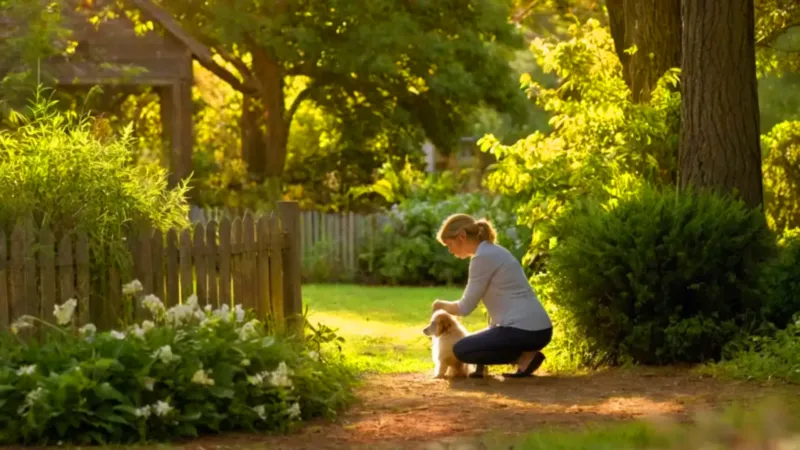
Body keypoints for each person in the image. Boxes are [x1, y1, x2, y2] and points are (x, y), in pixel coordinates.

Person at [431, 213, 553, 378]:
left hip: (525, 331)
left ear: (462, 236)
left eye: (449, 244)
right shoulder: (493, 251)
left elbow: (464, 308)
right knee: (472, 343)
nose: (450, 250)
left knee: (460, 349)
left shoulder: (482, 258)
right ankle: (523, 355)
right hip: (538, 329)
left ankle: (523, 357)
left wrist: (440, 305)